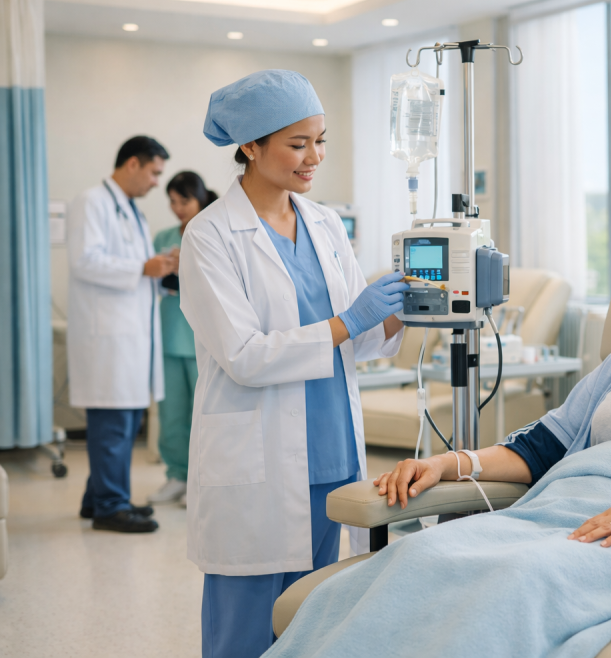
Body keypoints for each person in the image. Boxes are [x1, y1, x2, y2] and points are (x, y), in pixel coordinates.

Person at [264, 210, 611, 658]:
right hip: (558, 511)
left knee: (519, 579)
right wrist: (446, 465)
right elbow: (544, 446)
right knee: (423, 553)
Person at [177, 69, 408, 658]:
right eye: (298, 143)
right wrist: (349, 320)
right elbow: (245, 356)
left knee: (312, 619)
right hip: (256, 458)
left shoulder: (325, 223)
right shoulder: (209, 235)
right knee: (243, 629)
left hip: (332, 453)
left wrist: (406, 312)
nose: (315, 157)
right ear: (251, 147)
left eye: (321, 141)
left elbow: (356, 340)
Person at [67, 136, 174, 533]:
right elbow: (84, 261)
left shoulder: (131, 211)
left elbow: (137, 270)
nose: (156, 182)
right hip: (107, 338)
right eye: (154, 172)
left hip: (130, 336)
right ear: (132, 164)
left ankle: (98, 498)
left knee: (124, 423)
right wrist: (143, 268)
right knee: (113, 425)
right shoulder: (92, 202)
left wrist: (162, 269)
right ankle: (110, 507)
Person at [147, 172, 218, 507]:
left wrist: (187, 267)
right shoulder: (163, 237)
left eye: (184, 201)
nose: (177, 208)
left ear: (200, 199)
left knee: (202, 414)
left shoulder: (212, 231)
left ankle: (200, 481)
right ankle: (176, 476)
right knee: (171, 413)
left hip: (202, 337)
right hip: (168, 335)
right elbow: (150, 282)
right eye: (172, 202)